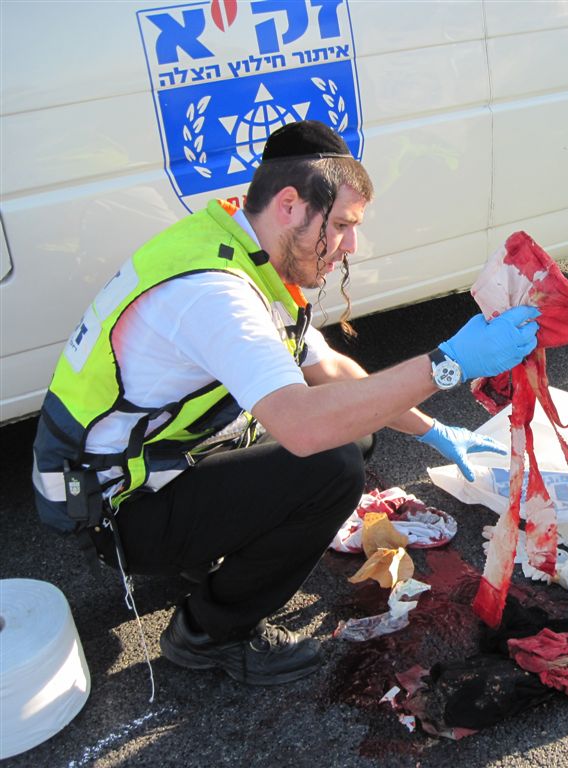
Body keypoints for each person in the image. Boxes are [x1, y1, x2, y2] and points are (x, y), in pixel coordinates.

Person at [31, 120, 540, 686]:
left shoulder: (241, 246)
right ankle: (207, 632)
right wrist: (448, 364)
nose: (351, 245)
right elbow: (300, 427)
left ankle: (205, 550)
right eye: (343, 225)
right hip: (114, 508)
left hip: (158, 464)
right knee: (330, 465)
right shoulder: (213, 292)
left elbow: (332, 373)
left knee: (357, 427)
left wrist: (436, 431)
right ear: (291, 205)